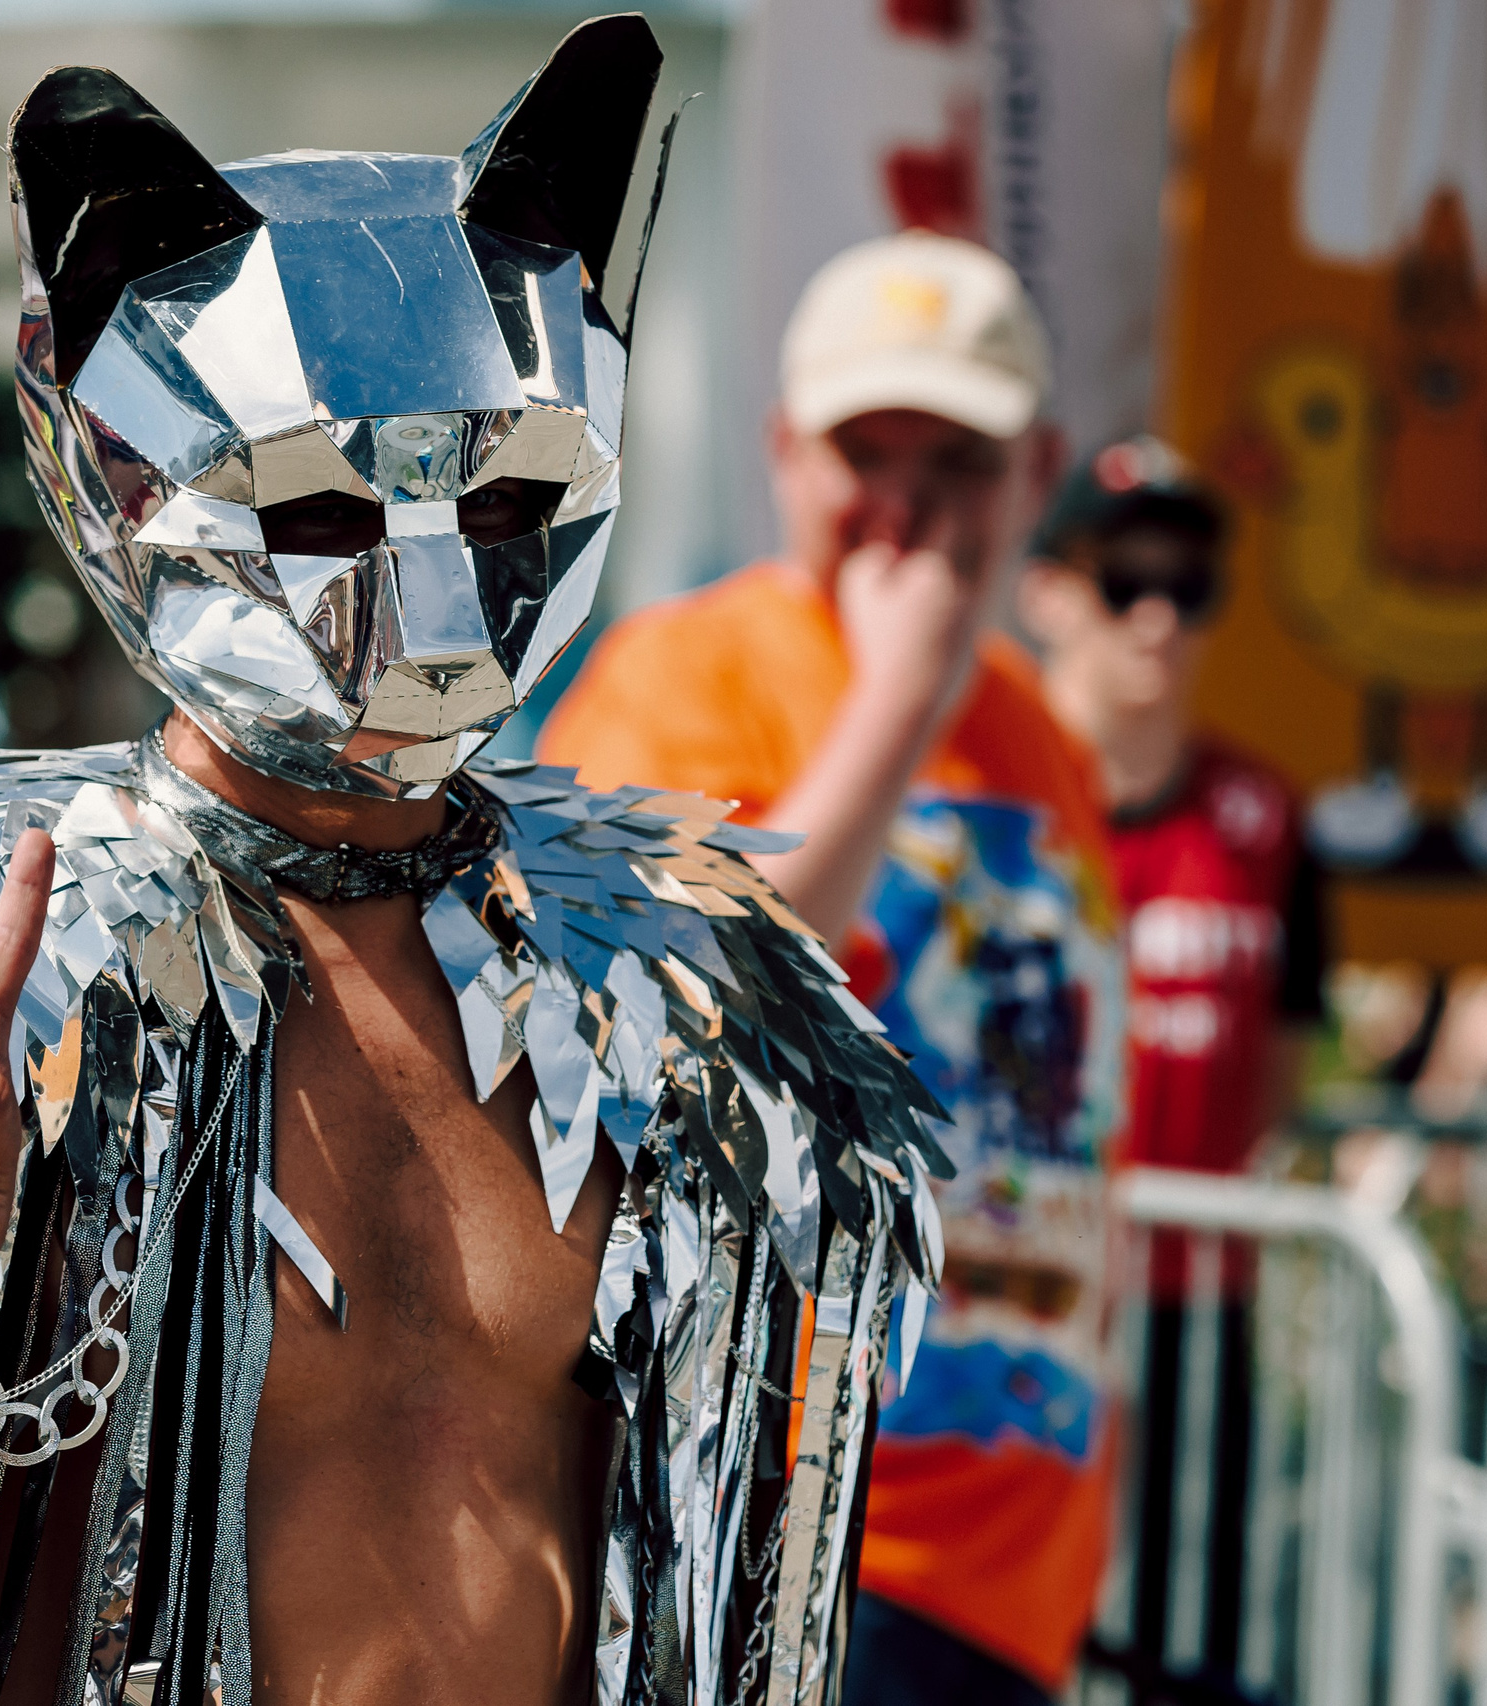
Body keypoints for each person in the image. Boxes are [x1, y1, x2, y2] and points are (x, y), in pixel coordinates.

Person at [0, 23, 945, 1706]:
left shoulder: (670, 1005)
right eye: (319, 513)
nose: (432, 602)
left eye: (502, 505)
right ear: (118, 476)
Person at [542, 232, 1124, 1706]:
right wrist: (895, 701)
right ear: (786, 449)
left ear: (1038, 465)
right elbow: (690, 988)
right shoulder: (684, 675)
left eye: (964, 460)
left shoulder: (1045, 736)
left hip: (1012, 1548)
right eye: (871, 449)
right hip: (764, 1512)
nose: (909, 507)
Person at [1013, 438, 1327, 1691]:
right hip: (1016, 1306)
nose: (1156, 614)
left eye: (1188, 584)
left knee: (1187, 1651)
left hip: (1199, 1314)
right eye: (1123, 578)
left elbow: (1286, 1062)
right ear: (1046, 591)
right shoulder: (984, 801)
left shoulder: (1266, 818)